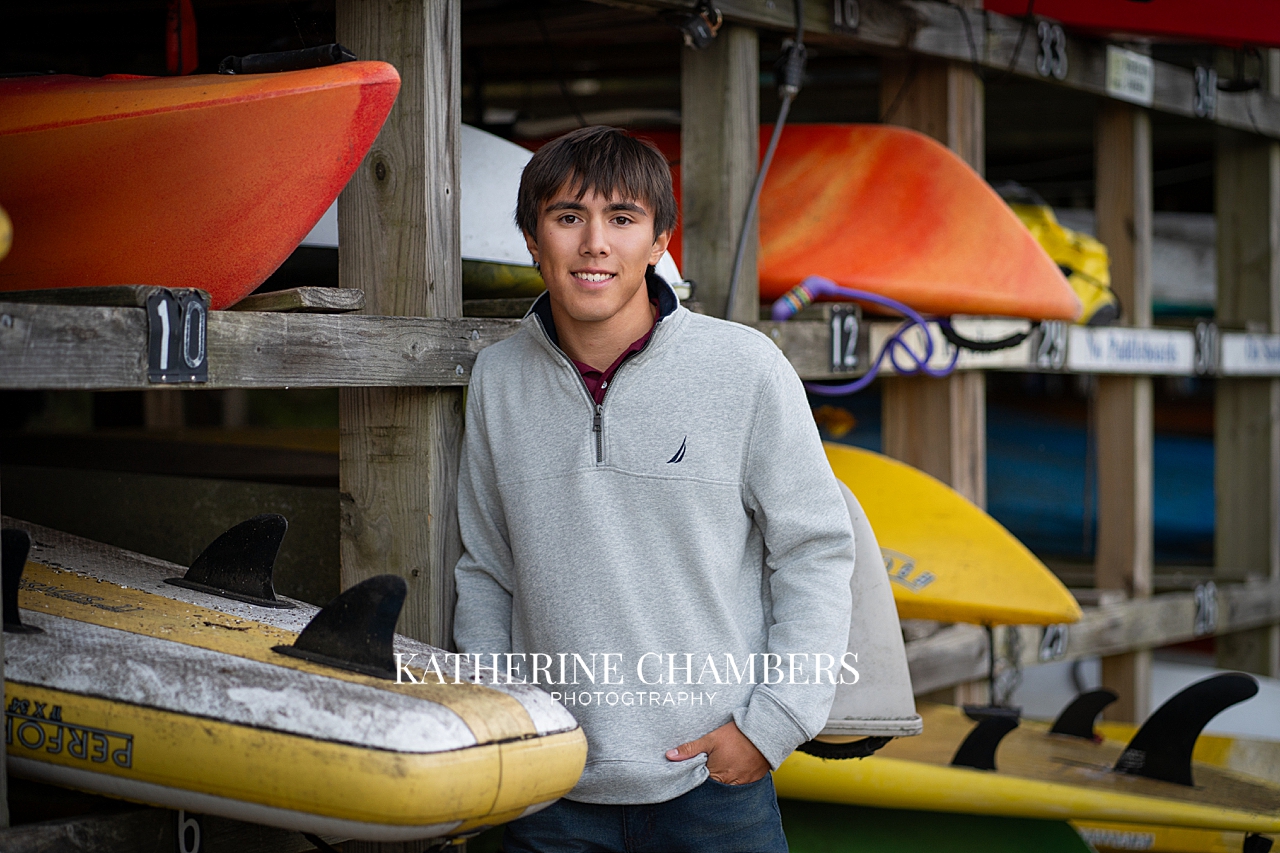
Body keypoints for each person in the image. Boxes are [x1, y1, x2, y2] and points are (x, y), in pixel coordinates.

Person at [453, 125, 855, 852]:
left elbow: (815, 553)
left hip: (712, 780)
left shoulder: (746, 369)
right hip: (548, 787)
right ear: (532, 240)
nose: (595, 242)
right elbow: (487, 569)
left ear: (660, 239)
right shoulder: (498, 380)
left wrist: (774, 724)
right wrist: (501, 725)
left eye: (622, 218)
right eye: (569, 217)